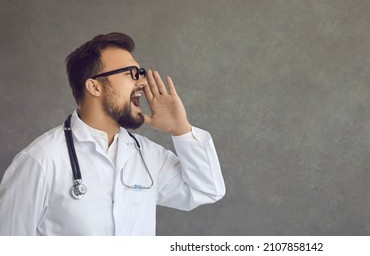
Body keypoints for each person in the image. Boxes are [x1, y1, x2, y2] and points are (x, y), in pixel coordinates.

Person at [0, 32, 225, 235]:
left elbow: (207, 190)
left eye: (141, 73)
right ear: (95, 87)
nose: (144, 82)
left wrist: (181, 130)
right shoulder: (41, 160)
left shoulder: (146, 155)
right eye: (132, 74)